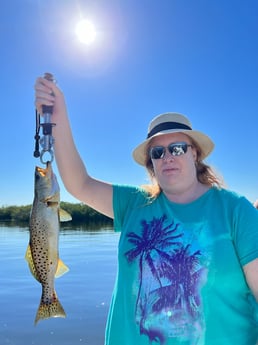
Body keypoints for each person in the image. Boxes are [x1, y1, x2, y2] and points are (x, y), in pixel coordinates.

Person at [35, 76, 258, 345]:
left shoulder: (236, 210)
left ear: (195, 153)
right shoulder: (135, 204)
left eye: (177, 148)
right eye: (158, 152)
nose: (168, 157)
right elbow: (79, 183)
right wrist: (57, 116)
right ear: (151, 163)